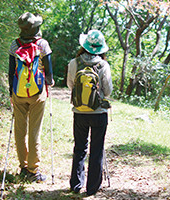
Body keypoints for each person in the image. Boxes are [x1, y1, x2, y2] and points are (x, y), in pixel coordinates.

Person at [8, 12, 54, 183]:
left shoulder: (14, 45)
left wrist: (11, 93)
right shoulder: (42, 44)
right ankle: (33, 171)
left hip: (18, 92)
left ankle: (23, 167)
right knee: (34, 131)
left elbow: (11, 71)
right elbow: (48, 71)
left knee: (20, 132)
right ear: (36, 28)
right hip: (37, 93)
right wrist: (49, 82)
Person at [67, 30, 113, 195]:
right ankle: (92, 188)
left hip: (79, 112)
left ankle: (76, 184)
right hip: (99, 113)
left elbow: (70, 86)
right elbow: (107, 92)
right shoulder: (103, 65)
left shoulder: (74, 63)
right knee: (97, 149)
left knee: (79, 148)